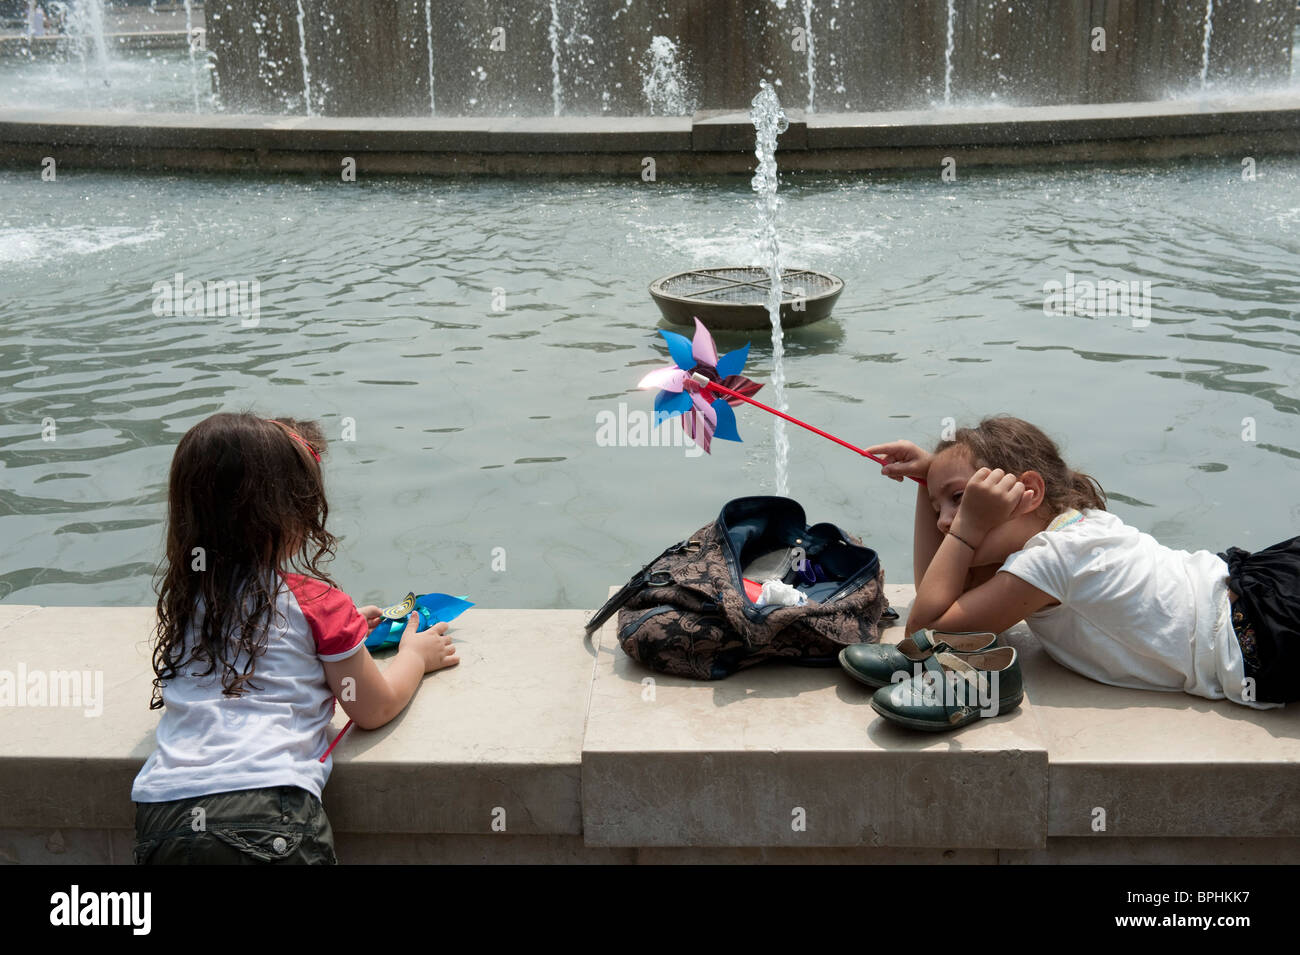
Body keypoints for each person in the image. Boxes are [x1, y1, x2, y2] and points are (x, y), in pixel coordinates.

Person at [131, 413, 460, 863]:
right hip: (269, 814)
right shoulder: (317, 602)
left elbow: (260, 650)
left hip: (163, 817)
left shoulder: (188, 604)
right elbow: (374, 708)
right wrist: (416, 656)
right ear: (286, 512)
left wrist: (332, 641)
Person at [863, 415, 1296, 709]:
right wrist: (927, 483)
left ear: (1027, 493)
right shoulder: (1066, 527)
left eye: (961, 499)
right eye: (940, 507)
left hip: (1262, 631)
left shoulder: (1054, 559)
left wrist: (965, 526)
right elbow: (939, 595)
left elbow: (924, 634)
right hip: (1247, 587)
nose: (944, 522)